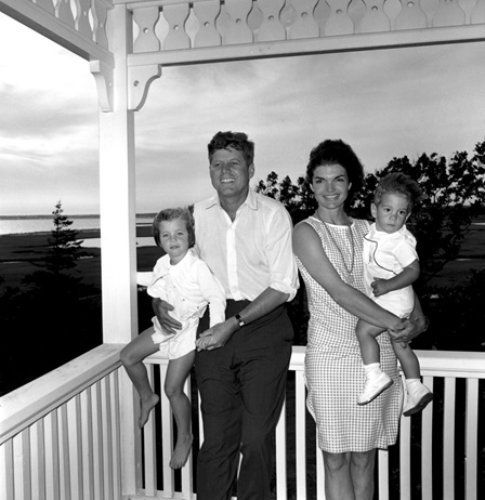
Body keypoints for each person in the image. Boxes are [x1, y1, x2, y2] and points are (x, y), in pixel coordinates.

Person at [153, 131, 299, 500]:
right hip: (211, 325)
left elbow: (283, 286)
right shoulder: (197, 215)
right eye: (217, 164)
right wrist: (158, 303)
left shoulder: (273, 214)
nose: (225, 171)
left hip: (262, 324)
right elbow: (178, 267)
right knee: (217, 438)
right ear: (210, 171)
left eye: (234, 163)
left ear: (250, 168)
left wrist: (233, 324)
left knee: (255, 439)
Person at [292, 139, 427, 500]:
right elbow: (339, 292)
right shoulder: (305, 232)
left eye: (338, 179)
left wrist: (415, 317)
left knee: (364, 458)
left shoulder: (372, 228)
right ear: (311, 185)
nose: (330, 189)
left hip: (377, 354)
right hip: (331, 355)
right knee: (335, 458)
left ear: (351, 184)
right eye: (320, 180)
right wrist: (393, 319)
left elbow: (404, 277)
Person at [120, 207, 226, 469]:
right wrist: (157, 301)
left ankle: (185, 436)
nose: (173, 240)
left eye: (179, 233)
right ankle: (147, 396)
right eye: (166, 235)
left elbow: (216, 297)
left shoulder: (197, 267)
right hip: (165, 326)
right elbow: (155, 290)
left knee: (172, 388)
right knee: (128, 356)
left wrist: (214, 329)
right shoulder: (161, 263)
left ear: (190, 237)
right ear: (159, 240)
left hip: (187, 332)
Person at [356, 173, 433, 414]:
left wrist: (388, 285)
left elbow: (413, 271)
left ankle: (374, 375)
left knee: (363, 330)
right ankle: (415, 387)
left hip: (395, 298)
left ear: (407, 216)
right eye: (388, 209)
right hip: (395, 299)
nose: (393, 217)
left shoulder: (399, 241)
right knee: (400, 343)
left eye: (401, 213)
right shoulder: (372, 231)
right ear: (374, 209)